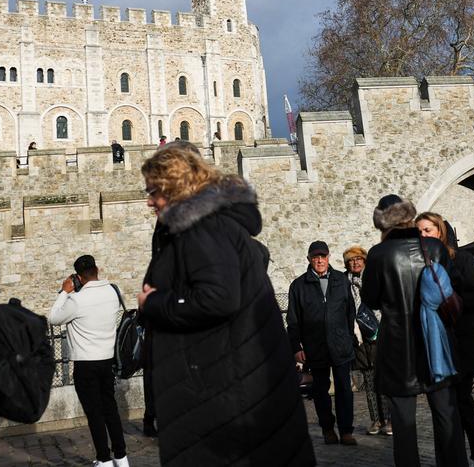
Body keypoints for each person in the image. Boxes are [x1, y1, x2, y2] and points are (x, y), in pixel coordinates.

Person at [137, 144, 314, 466]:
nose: (149, 201)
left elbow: (218, 297)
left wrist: (156, 303)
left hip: (221, 387)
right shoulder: (207, 226)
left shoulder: (202, 227)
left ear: (173, 186)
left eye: (153, 191)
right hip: (227, 380)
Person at [363, 195, 466, 467]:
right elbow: (452, 286)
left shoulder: (378, 254)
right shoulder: (434, 247)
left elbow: (371, 299)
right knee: (446, 414)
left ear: (382, 224)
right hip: (435, 342)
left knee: (403, 423)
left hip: (398, 345)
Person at [417, 213, 474, 467]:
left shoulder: (462, 259)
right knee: (444, 408)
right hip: (435, 345)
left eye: (427, 230)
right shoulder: (418, 264)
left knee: (461, 401)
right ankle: (450, 459)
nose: (423, 236)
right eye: (419, 232)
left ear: (440, 232)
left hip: (462, 341)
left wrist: (451, 302)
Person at [48, 255, 129, 467]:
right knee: (110, 409)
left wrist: (65, 292)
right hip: (107, 360)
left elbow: (53, 318)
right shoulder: (114, 291)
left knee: (94, 413)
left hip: (86, 364)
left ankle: (104, 459)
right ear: (97, 269)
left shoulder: (76, 300)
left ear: (78, 277)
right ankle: (121, 457)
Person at [287, 240, 358, 446]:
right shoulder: (298, 286)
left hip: (340, 345)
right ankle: (328, 429)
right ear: (309, 259)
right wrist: (296, 347)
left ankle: (346, 430)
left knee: (345, 389)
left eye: (323, 256)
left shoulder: (340, 280)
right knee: (320, 391)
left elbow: (350, 311)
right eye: (315, 257)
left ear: (328, 257)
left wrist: (347, 337)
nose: (319, 260)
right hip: (314, 347)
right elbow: (293, 320)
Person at [344, 245, 392, 437]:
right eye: (351, 260)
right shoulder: (345, 283)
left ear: (365, 261)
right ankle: (376, 419)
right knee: (370, 382)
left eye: (358, 259)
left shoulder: (374, 278)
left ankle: (389, 419)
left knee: (384, 379)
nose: (355, 263)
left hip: (380, 334)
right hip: (360, 338)